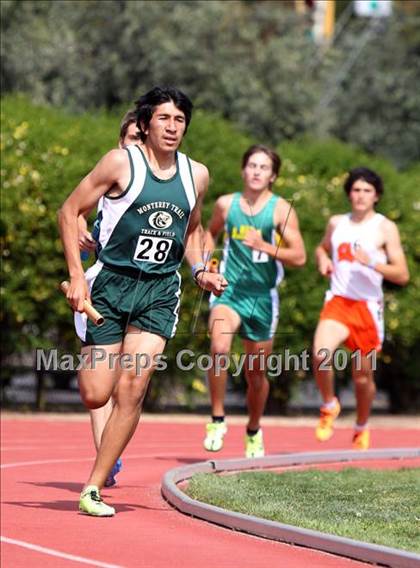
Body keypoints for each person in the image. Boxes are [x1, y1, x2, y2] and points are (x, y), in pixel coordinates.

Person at [59, 86, 227, 516]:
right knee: (97, 394)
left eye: (180, 121)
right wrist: (77, 277)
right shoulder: (120, 162)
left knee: (132, 389)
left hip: (158, 291)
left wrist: (201, 269)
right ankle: (103, 388)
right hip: (111, 286)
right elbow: (69, 210)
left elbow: (192, 231)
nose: (172, 128)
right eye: (165, 119)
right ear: (147, 122)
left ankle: (93, 488)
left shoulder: (197, 174)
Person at [202, 145, 306, 457]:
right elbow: (210, 233)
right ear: (243, 170)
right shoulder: (226, 204)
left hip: (262, 299)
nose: (257, 171)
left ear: (273, 175)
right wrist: (209, 264)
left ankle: (253, 429)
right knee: (219, 348)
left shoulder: (280, 210)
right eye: (252, 165)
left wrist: (266, 245)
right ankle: (217, 420)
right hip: (229, 293)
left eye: (264, 167)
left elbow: (299, 256)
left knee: (255, 373)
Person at [313, 167, 409, 450]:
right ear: (349, 193)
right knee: (321, 354)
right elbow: (321, 248)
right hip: (339, 302)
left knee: (362, 377)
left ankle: (361, 425)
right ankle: (329, 405)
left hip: (367, 308)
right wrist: (322, 260)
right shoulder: (336, 223)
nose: (361, 195)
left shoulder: (384, 227)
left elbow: (402, 274)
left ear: (376, 195)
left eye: (367, 190)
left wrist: (370, 262)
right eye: (356, 190)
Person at [77, 110, 141, 488]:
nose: (137, 144)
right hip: (100, 293)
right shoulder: (109, 184)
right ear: (121, 143)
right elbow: (75, 215)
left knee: (128, 384)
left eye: (141, 137)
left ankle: (107, 454)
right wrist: (83, 236)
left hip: (143, 295)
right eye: (132, 137)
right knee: (99, 392)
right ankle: (105, 454)